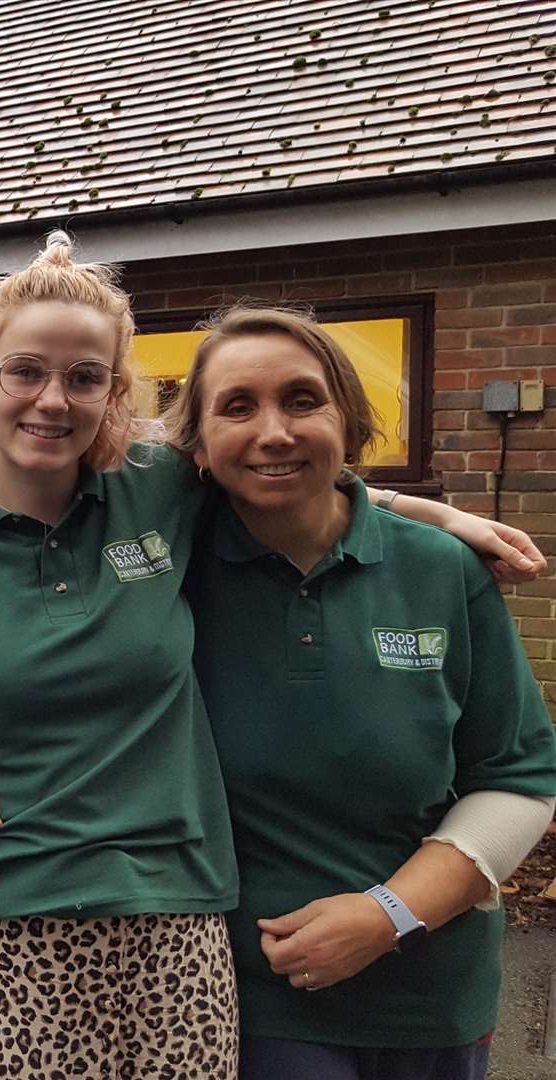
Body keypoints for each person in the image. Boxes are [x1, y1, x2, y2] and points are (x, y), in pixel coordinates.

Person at [0, 233, 544, 1080]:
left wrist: (425, 514)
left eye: (86, 377)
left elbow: (280, 463)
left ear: (116, 395)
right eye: (25, 371)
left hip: (176, 928)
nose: (53, 399)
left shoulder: (159, 493)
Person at [167, 307, 556, 1080]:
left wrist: (390, 914)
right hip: (252, 998)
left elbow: (517, 777)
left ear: (349, 420)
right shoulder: (163, 567)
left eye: (303, 400)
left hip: (432, 994)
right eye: (237, 406)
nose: (274, 431)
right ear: (199, 449)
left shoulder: (441, 571)